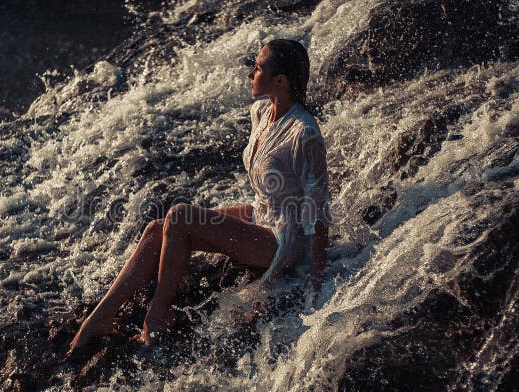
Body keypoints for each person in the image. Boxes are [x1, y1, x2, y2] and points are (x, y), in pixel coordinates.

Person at [67, 39, 331, 352]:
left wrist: (317, 279)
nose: (250, 73)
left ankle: (156, 317)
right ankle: (99, 317)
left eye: (258, 67)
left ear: (280, 81)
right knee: (158, 228)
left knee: (179, 217)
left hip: (283, 238)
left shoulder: (305, 132)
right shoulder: (261, 112)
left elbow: (318, 208)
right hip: (262, 214)